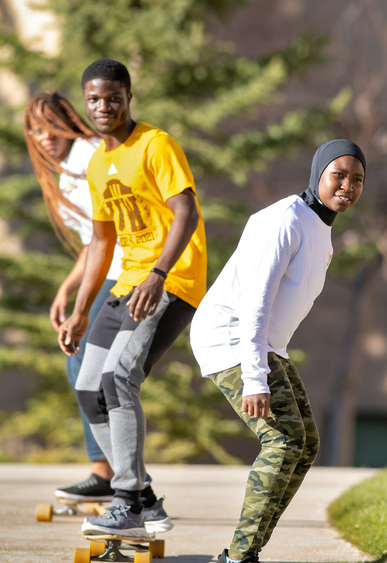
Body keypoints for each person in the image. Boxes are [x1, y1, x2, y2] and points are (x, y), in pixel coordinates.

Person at [190, 139, 366, 563]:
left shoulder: (319, 227)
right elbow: (256, 301)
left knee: (305, 445)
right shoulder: (284, 220)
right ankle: (239, 556)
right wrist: (254, 376)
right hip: (231, 337)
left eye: (357, 179)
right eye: (338, 175)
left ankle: (244, 553)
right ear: (318, 174)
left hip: (266, 343)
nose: (347, 186)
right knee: (283, 441)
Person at [57, 58, 207, 538]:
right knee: (87, 384)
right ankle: (141, 496)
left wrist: (160, 274)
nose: (105, 106)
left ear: (128, 97)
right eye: (95, 99)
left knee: (120, 379)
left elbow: (186, 211)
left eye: (113, 97)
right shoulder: (99, 163)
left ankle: (126, 502)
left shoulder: (156, 145)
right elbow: (101, 242)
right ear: (87, 102)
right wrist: (81, 311)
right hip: (127, 283)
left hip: (172, 280)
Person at [24, 91, 122, 502]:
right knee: (82, 364)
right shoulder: (65, 173)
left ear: (66, 121)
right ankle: (109, 472)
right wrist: (65, 291)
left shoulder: (90, 153)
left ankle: (117, 476)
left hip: (129, 270)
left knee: (87, 363)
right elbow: (91, 245)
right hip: (107, 270)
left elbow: (111, 233)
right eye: (35, 129)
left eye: (50, 126)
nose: (44, 136)